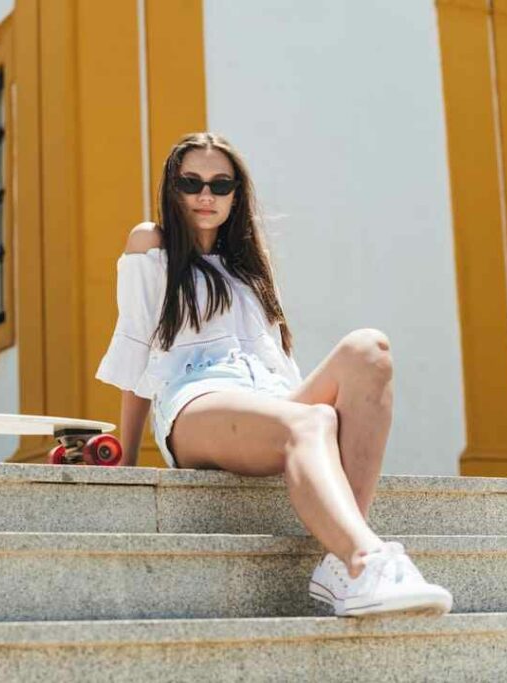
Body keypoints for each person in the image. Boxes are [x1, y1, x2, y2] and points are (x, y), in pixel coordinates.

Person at [95, 132, 453, 618]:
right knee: (314, 421)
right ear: (171, 188)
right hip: (197, 400)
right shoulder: (152, 245)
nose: (206, 195)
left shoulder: (250, 269)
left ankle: (338, 558)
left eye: (221, 185)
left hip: (270, 396)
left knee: (369, 348)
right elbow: (135, 347)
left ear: (236, 194)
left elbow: (279, 363)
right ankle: (365, 560)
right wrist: (129, 461)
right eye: (191, 182)